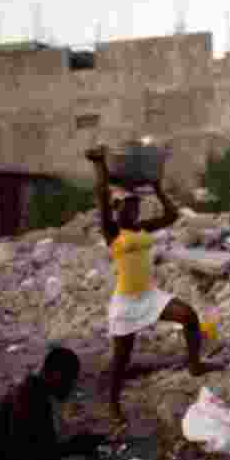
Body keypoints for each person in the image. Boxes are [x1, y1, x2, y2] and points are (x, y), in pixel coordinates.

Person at [85, 146, 219, 422]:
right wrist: (99, 164)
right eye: (128, 206)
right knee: (121, 360)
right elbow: (100, 195)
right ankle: (113, 404)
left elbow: (172, 215)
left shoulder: (142, 228)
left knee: (189, 316)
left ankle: (194, 365)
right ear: (117, 208)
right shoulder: (112, 232)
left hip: (149, 295)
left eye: (136, 206)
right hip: (126, 302)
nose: (134, 210)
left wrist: (157, 187)